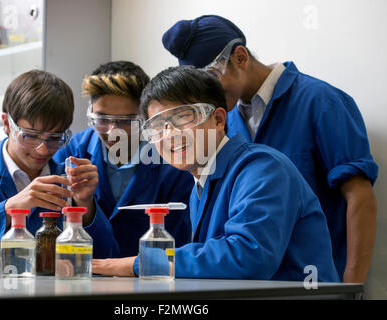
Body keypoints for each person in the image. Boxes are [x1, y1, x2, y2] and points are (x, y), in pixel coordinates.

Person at [161, 15, 378, 283]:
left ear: (240, 57)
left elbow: (359, 196)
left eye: (211, 78)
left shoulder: (321, 102)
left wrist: (352, 284)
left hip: (310, 283)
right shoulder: (223, 120)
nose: (206, 92)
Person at [92, 65, 340, 282]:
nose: (169, 134)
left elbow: (248, 255)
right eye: (158, 126)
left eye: (182, 117)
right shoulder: (202, 180)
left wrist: (138, 263)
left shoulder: (263, 168)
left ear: (219, 119)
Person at [0, 70, 115, 257]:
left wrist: (86, 205)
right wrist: (9, 208)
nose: (42, 149)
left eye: (55, 138)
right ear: (7, 125)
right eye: (30, 136)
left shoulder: (68, 181)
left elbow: (106, 255)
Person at [53, 61, 194, 257]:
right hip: (83, 274)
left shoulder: (173, 161)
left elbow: (178, 243)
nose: (113, 131)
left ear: (146, 116)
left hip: (151, 278)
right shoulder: (70, 152)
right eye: (102, 119)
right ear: (90, 110)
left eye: (127, 121)